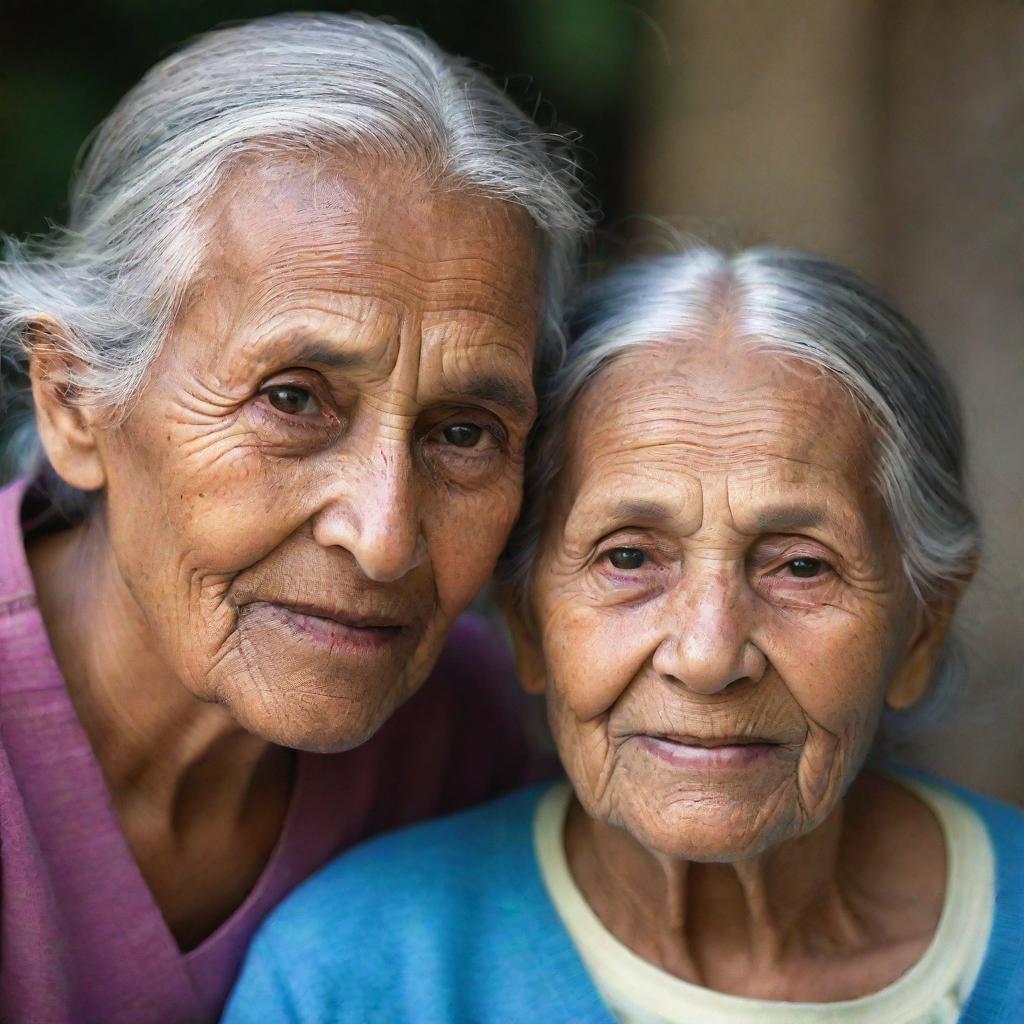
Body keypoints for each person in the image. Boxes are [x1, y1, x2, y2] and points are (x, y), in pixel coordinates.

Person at [226, 247, 1024, 1023]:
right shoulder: (354, 976)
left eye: (801, 569)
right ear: (528, 622)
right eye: (630, 558)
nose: (708, 656)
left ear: (923, 628)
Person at [0, 13, 587, 1024]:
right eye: (292, 398)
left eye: (461, 432)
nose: (384, 534)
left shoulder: (455, 734)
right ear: (74, 397)